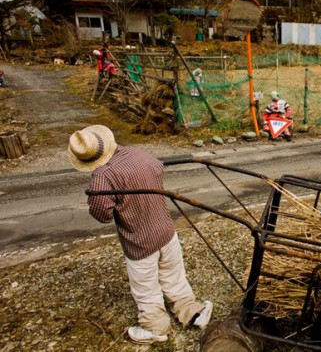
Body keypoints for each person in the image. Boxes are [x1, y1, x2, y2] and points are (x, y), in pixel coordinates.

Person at [67, 125, 213, 344]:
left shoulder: (102, 176)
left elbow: (102, 215)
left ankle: (155, 328)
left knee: (146, 288)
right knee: (174, 275)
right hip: (165, 229)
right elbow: (158, 170)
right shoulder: (138, 154)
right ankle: (191, 311)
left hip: (139, 241)